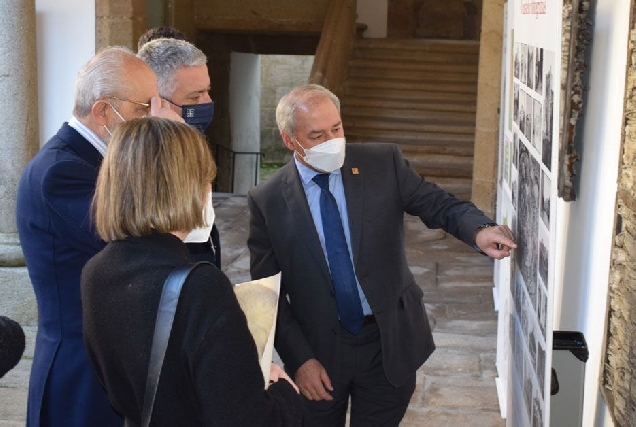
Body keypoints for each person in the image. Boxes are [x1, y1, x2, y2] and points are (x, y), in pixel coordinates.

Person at [247, 84, 517, 426]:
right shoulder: (267, 200)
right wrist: (300, 360)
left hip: (387, 342)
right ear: (290, 141)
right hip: (320, 350)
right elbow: (267, 293)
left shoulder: (381, 163)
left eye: (336, 128)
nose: (331, 141)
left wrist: (479, 230)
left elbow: (437, 203)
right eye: (316, 135)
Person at [81, 117, 302, 426]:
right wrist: (282, 392)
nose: (208, 189)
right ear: (185, 187)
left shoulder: (95, 272)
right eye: (205, 179)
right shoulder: (200, 286)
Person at [16, 46, 182, 427]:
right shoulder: (64, 171)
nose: (152, 119)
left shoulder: (97, 161)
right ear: (104, 110)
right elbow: (141, 244)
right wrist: (170, 149)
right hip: (81, 370)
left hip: (106, 359)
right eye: (144, 108)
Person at [138, 37, 222, 267]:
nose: (207, 102)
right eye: (195, 97)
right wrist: (172, 142)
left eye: (207, 91)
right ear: (157, 102)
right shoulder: (135, 158)